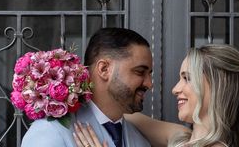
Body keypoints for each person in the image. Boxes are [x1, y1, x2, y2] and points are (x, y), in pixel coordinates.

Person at [73, 44, 239, 147]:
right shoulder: (181, 137)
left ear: (216, 87)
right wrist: (65, 94)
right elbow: (118, 111)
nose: (175, 89)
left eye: (187, 79)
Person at [21, 27, 153, 147]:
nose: (149, 84)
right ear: (104, 69)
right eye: (140, 72)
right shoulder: (50, 132)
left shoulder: (141, 141)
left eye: (149, 74)